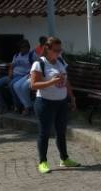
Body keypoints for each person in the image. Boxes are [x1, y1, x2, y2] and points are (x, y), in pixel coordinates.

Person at [30, 36, 79, 175]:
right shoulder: (39, 64)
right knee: (44, 133)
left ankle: (64, 158)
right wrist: (51, 82)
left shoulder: (61, 61)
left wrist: (72, 96)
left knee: (61, 131)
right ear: (48, 49)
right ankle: (43, 162)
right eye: (56, 50)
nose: (58, 52)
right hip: (44, 103)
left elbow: (66, 81)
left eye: (60, 50)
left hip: (61, 102)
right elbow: (33, 85)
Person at [0, 39, 34, 113]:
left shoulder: (31, 55)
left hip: (22, 76)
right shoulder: (16, 55)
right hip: (13, 75)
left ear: (28, 47)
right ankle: (2, 106)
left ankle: (17, 106)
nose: (24, 49)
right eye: (22, 47)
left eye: (25, 47)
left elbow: (35, 66)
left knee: (12, 85)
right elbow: (11, 66)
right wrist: (10, 74)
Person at [13, 35, 48, 113]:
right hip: (32, 74)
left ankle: (27, 107)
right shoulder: (38, 51)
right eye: (42, 44)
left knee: (24, 87)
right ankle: (28, 105)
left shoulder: (50, 53)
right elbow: (37, 63)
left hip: (42, 76)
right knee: (16, 86)